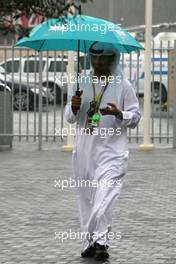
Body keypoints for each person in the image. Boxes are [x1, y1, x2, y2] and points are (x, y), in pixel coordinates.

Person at [65, 41, 141, 261]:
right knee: (87, 198)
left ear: (112, 59)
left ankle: (99, 241)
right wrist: (74, 106)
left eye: (102, 58)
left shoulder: (123, 85)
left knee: (105, 195)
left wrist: (119, 114)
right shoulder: (81, 82)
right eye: (94, 58)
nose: (97, 62)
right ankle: (92, 242)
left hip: (112, 152)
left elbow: (135, 118)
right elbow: (69, 118)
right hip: (84, 151)